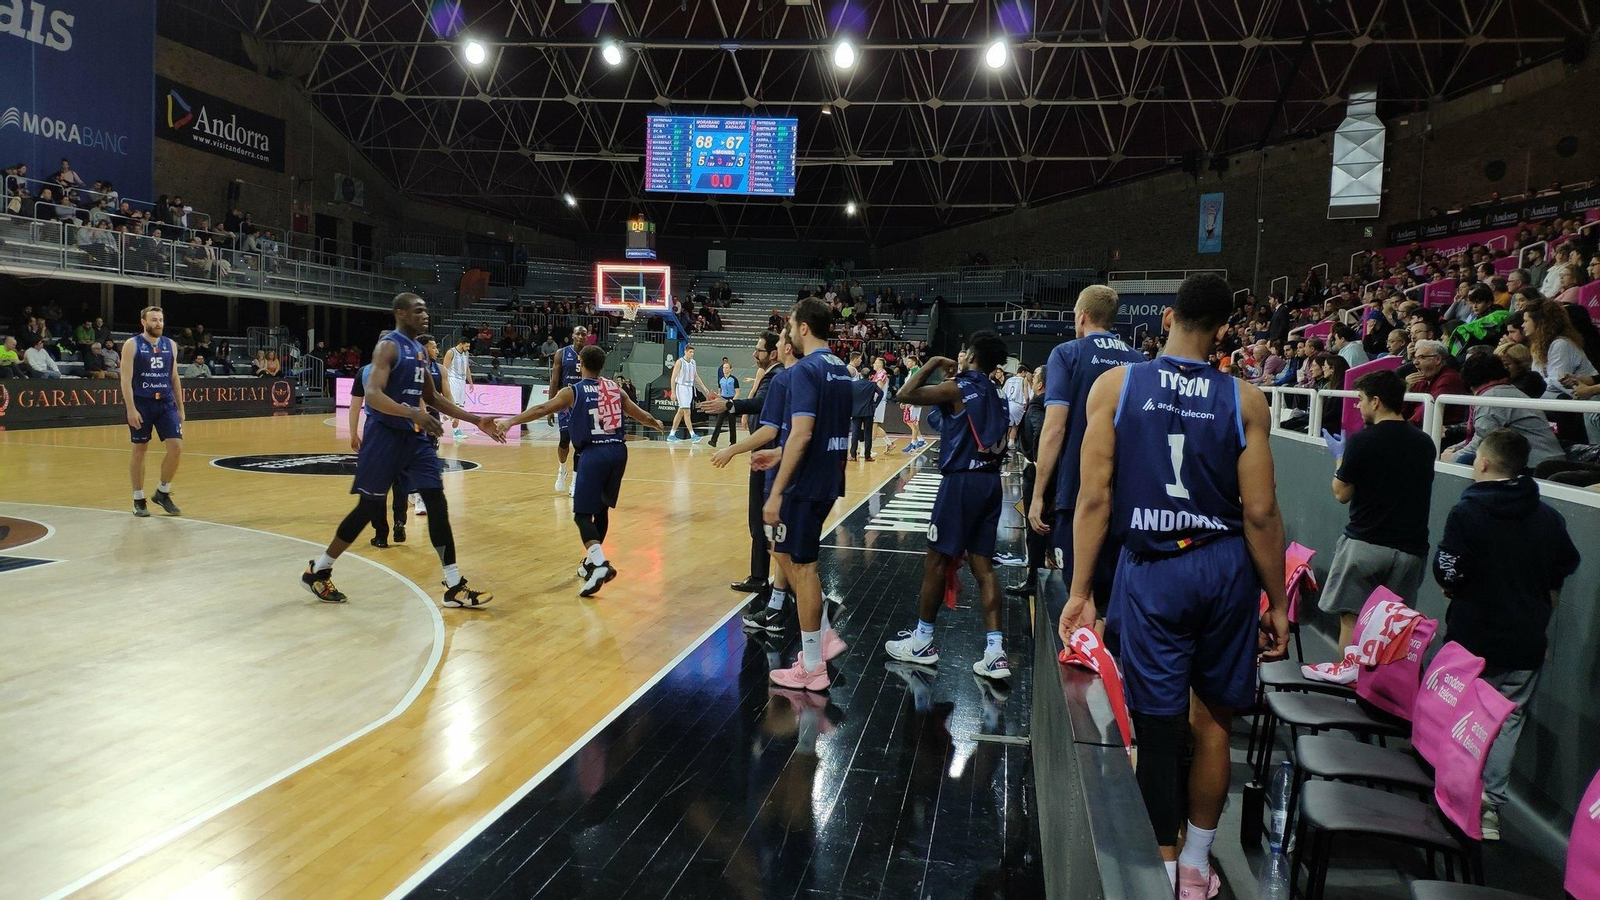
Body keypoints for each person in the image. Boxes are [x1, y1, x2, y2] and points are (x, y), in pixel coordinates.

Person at [1067, 272, 1289, 896]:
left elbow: (1093, 499)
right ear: (1224, 329)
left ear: (1168, 317)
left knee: (1159, 727)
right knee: (1215, 723)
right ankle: (1197, 862)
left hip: (1155, 568)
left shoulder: (1117, 385)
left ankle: (1161, 871)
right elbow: (1262, 514)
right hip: (1223, 568)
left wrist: (1083, 591)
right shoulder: (1247, 400)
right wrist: (1274, 600)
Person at [300, 294, 506, 608]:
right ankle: (320, 567)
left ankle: (454, 585)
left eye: (426, 309)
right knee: (368, 508)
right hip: (384, 437)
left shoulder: (421, 354)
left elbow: (434, 398)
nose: (425, 315)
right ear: (400, 313)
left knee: (437, 502)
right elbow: (373, 396)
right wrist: (412, 413)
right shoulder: (389, 347)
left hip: (415, 439)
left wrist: (477, 420)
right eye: (418, 310)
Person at [1432, 428, 1580, 841]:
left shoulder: (1467, 512)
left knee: (1459, 713)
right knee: (1506, 720)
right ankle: (1488, 808)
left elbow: (1448, 571)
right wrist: (1539, 624)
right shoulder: (1549, 517)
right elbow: (1559, 575)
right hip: (1524, 641)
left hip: (1472, 635)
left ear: (1482, 462)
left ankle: (1449, 793)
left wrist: (1453, 585)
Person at [885, 331, 1014, 679]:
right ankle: (995, 652)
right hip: (990, 483)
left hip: (961, 484)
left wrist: (931, 363)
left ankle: (923, 641)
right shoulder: (997, 392)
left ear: (971, 355)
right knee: (984, 568)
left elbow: (904, 394)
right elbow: (943, 421)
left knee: (935, 561)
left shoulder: (959, 387)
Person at [496, 344, 664, 596]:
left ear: (581, 363)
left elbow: (542, 409)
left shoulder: (572, 391)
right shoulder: (615, 389)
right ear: (602, 365)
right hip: (618, 452)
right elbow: (641, 415)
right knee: (602, 510)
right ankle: (590, 564)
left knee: (581, 515)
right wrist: (656, 423)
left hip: (593, 453)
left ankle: (599, 565)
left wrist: (510, 421)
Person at [1028, 285, 1144, 633]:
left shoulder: (1067, 353)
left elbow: (1054, 428)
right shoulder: (1140, 360)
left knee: (1079, 598)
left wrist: (1038, 493)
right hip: (1127, 494)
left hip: (1079, 492)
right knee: (1112, 601)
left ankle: (1086, 679)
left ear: (1081, 316)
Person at [763, 298, 853, 691]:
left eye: (792, 324)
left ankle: (813, 666)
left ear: (802, 328)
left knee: (802, 568)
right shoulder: (841, 368)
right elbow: (819, 434)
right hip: (829, 478)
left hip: (803, 484)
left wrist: (775, 492)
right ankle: (817, 649)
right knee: (803, 564)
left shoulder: (805, 369)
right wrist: (779, 452)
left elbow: (801, 433)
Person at [1318, 369, 1436, 652]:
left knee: (1352, 619)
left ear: (1376, 401)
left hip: (1366, 544)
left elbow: (1341, 493)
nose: (1357, 406)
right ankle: (1379, 692)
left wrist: (1340, 458)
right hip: (1411, 550)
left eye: (1360, 399)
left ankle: (1346, 690)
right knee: (1393, 628)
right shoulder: (1425, 443)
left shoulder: (1363, 440)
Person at [699, 331, 784, 602]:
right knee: (762, 520)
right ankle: (765, 578)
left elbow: (762, 405)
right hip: (768, 454)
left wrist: (731, 405)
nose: (754, 354)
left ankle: (765, 581)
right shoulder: (775, 374)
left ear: (773, 353)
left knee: (760, 518)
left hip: (769, 457)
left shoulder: (776, 375)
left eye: (758, 349)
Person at [1440, 353, 1564, 469]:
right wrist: (1455, 448)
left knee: (1464, 459)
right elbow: (1480, 436)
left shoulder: (1491, 399)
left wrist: (1452, 457)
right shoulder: (1504, 391)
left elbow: (1484, 442)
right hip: (1541, 459)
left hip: (1536, 465)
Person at [120, 307, 185, 518]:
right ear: (143, 322)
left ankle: (162, 492)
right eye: (154, 320)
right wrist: (130, 409)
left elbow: (174, 378)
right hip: (142, 403)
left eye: (161, 320)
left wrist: (181, 408)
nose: (158, 323)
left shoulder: (171, 345)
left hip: (165, 403)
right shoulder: (132, 345)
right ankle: (138, 499)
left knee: (176, 446)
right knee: (140, 449)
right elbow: (125, 380)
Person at [346, 358, 413, 548]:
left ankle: (381, 533)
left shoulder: (365, 372)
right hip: (403, 430)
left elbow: (355, 405)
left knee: (377, 485)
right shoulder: (406, 371)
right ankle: (400, 521)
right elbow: (418, 401)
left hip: (376, 432)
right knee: (401, 481)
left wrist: (353, 433)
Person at [549, 326, 589, 494]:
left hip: (583, 401)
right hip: (565, 401)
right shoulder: (562, 353)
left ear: (587, 337)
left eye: (583, 334)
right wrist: (550, 406)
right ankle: (562, 469)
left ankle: (575, 481)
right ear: (572, 335)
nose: (580, 336)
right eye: (578, 333)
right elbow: (554, 380)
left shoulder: (590, 353)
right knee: (564, 439)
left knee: (580, 444)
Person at [667, 345, 711, 442]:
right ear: (685, 352)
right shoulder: (679, 362)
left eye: (693, 352)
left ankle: (671, 435)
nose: (692, 354)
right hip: (681, 387)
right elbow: (673, 377)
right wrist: (673, 392)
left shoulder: (693, 362)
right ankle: (693, 435)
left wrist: (704, 387)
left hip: (689, 388)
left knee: (680, 412)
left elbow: (696, 376)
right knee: (687, 412)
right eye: (690, 352)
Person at [443, 332, 475, 443]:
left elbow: (467, 369)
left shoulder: (466, 354)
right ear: (461, 344)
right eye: (467, 346)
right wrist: (444, 383)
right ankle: (456, 431)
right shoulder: (451, 352)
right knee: (455, 408)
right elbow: (444, 368)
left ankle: (438, 423)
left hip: (462, 382)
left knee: (460, 408)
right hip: (453, 380)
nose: (468, 348)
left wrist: (470, 382)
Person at [848, 365, 883, 461]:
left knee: (855, 434)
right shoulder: (872, 385)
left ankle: (853, 455)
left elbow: (848, 395)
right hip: (868, 412)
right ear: (870, 376)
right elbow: (881, 393)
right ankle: (868, 455)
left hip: (856, 412)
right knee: (868, 434)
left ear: (860, 374)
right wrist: (875, 404)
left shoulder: (853, 384)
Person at [708, 360, 741, 448]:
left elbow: (738, 392)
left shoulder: (734, 379)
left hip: (731, 400)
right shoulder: (721, 380)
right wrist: (716, 398)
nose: (725, 369)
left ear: (730, 369)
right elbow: (719, 392)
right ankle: (713, 441)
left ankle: (733, 442)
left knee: (732, 422)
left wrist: (732, 401)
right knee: (719, 421)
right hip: (723, 400)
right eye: (723, 368)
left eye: (727, 368)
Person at [899, 355, 927, 451]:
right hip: (912, 399)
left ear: (914, 362)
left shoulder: (917, 372)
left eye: (909, 362)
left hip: (915, 399)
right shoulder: (912, 371)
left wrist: (909, 400)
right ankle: (920, 440)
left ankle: (913, 443)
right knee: (911, 420)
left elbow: (914, 388)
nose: (907, 363)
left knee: (912, 421)